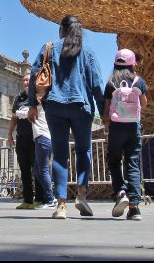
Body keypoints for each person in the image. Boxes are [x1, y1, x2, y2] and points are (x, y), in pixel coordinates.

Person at [27, 15, 105, 220]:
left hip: (54, 107)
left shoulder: (50, 48)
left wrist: (33, 104)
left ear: (62, 29)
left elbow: (35, 76)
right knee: (83, 150)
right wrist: (104, 112)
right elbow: (96, 84)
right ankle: (81, 194)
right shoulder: (87, 51)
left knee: (60, 155)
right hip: (81, 107)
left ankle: (61, 204)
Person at [101, 49, 148, 221]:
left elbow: (106, 110)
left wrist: (107, 122)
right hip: (133, 126)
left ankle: (121, 192)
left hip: (116, 127)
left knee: (114, 160)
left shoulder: (111, 82)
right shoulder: (138, 81)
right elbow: (144, 103)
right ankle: (134, 207)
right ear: (133, 63)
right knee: (133, 163)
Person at [9, 74, 45, 209]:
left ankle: (40, 199)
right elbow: (13, 118)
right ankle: (28, 199)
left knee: (37, 169)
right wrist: (9, 134)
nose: (25, 81)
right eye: (24, 80)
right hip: (21, 138)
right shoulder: (19, 98)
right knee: (24, 170)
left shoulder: (39, 96)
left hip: (36, 137)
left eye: (28, 80)